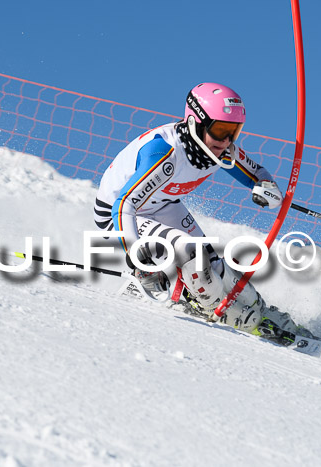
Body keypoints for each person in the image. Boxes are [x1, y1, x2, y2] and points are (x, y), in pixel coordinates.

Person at [93, 83, 303, 342]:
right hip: (120, 216)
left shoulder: (220, 151)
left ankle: (260, 312)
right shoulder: (164, 153)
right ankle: (220, 312)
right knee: (190, 252)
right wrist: (139, 258)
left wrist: (265, 188)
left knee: (216, 265)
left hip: (162, 205)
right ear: (196, 123)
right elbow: (124, 205)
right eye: (220, 130)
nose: (226, 141)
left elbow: (257, 174)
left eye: (233, 132)